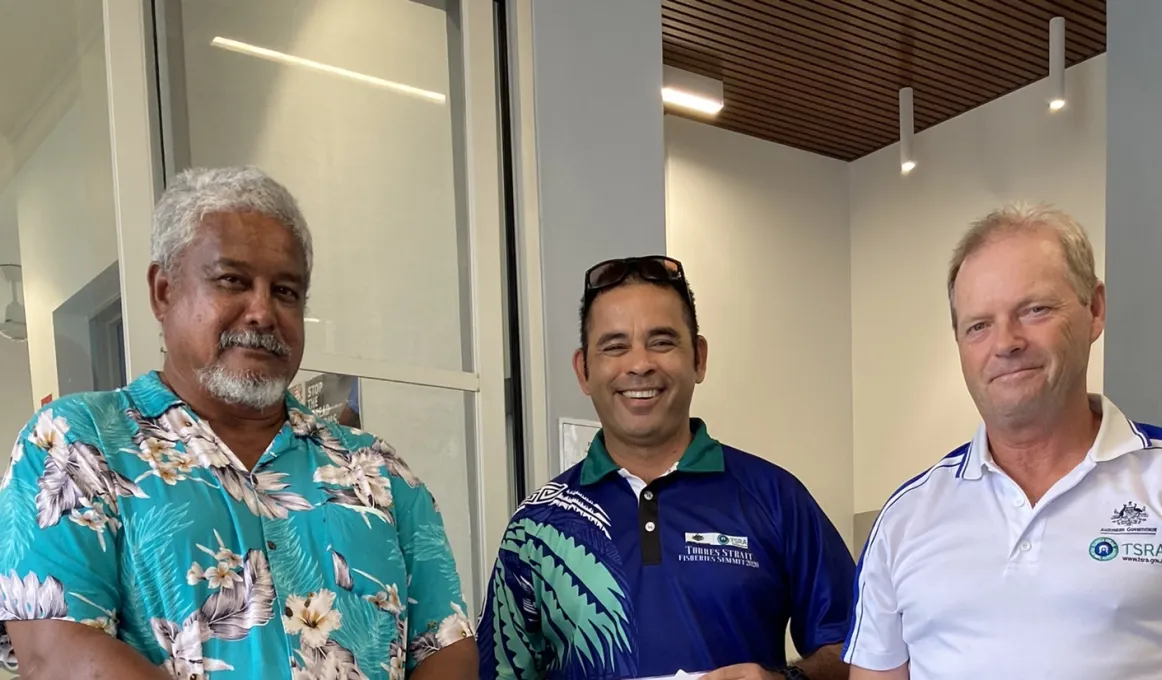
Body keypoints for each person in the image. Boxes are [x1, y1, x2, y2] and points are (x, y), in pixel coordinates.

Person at [0, 167, 476, 679]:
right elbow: (58, 655)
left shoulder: (378, 471)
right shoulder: (76, 446)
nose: (262, 312)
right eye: (233, 281)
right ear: (163, 291)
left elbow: (445, 648)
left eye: (286, 291)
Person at [477, 255, 855, 680]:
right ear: (583, 370)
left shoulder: (776, 497)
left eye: (661, 342)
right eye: (615, 346)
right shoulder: (535, 527)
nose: (639, 364)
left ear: (699, 358)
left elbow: (862, 651)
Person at [843, 204, 1162, 679]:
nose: (1006, 342)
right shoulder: (905, 520)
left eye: (1034, 310)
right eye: (978, 325)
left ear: (1094, 310)